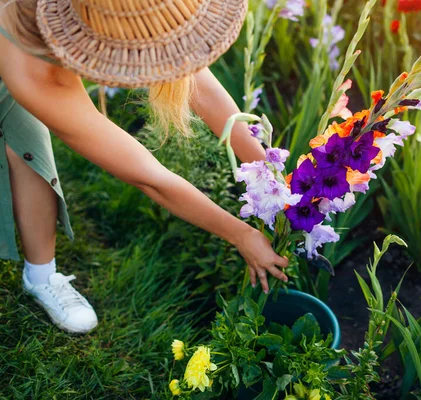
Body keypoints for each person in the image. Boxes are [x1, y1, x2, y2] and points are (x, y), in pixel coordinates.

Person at [0, 0, 289, 334]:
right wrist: (241, 234)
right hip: (14, 55)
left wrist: (268, 171)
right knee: (26, 136)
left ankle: (40, 275)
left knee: (26, 147)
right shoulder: (35, 69)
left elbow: (194, 75)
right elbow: (149, 178)